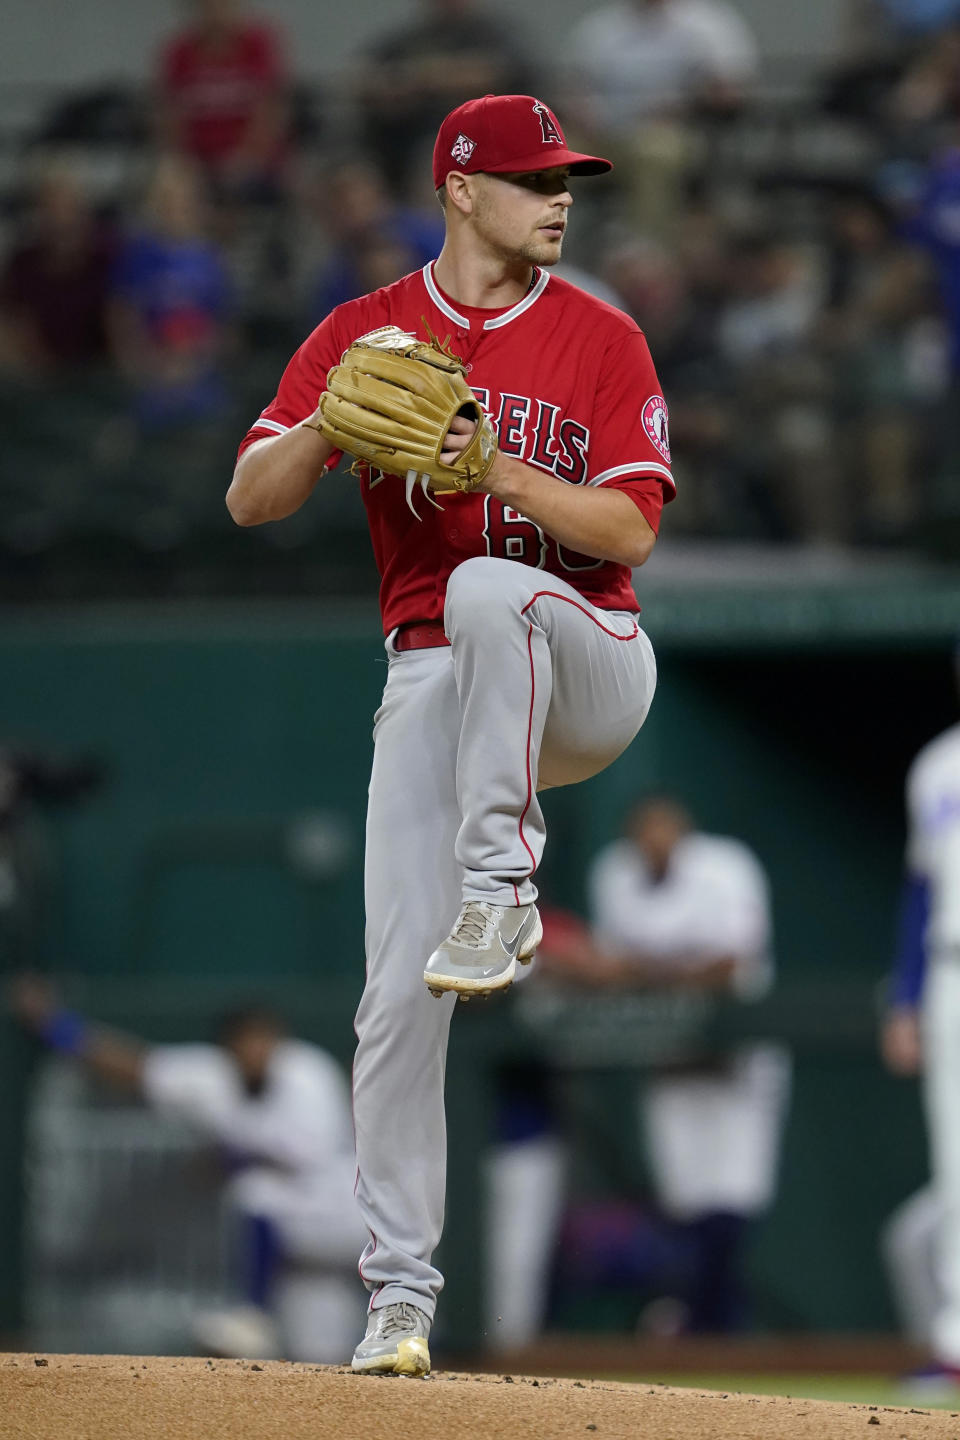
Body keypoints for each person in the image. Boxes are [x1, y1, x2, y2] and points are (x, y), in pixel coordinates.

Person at [226, 92, 674, 1375]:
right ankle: (401, 1301)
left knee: (488, 585)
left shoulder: (602, 337)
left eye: (567, 178)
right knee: (392, 1001)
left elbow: (632, 534)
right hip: (432, 683)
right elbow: (247, 497)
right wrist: (325, 426)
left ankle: (504, 883)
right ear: (461, 190)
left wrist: (505, 480)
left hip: (584, 656)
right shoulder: (362, 332)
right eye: (536, 178)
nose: (562, 196)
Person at [9, 980, 367, 1363]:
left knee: (256, 1192)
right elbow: (134, 1067)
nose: (257, 1049)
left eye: (265, 1039)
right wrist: (54, 1026)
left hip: (341, 1213)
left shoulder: (305, 1071)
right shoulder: (209, 1076)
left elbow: (302, 1157)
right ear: (228, 1047)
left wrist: (221, 1158)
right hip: (295, 1256)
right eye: (247, 1040)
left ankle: (252, 1313)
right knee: (318, 1358)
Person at [567, 795, 790, 1332]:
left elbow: (730, 963)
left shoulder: (725, 866)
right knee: (684, 1192)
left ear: (685, 831)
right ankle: (705, 1320)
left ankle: (713, 1320)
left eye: (666, 830)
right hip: (668, 1054)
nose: (656, 841)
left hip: (733, 1051)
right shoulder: (615, 874)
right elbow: (608, 967)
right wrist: (653, 976)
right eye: (645, 831)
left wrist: (646, 976)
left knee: (735, 1189)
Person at [878, 654, 960, 1383]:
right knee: (956, 1161)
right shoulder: (937, 764)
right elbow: (920, 890)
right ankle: (956, 1344)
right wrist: (904, 996)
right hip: (950, 971)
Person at [155, 0, 290, 200]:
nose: (215, 12)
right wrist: (182, 161)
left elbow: (271, 112)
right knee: (171, 187)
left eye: (222, 5)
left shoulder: (258, 44)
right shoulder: (179, 51)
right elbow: (168, 114)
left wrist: (246, 157)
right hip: (196, 163)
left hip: (251, 160)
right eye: (207, 6)